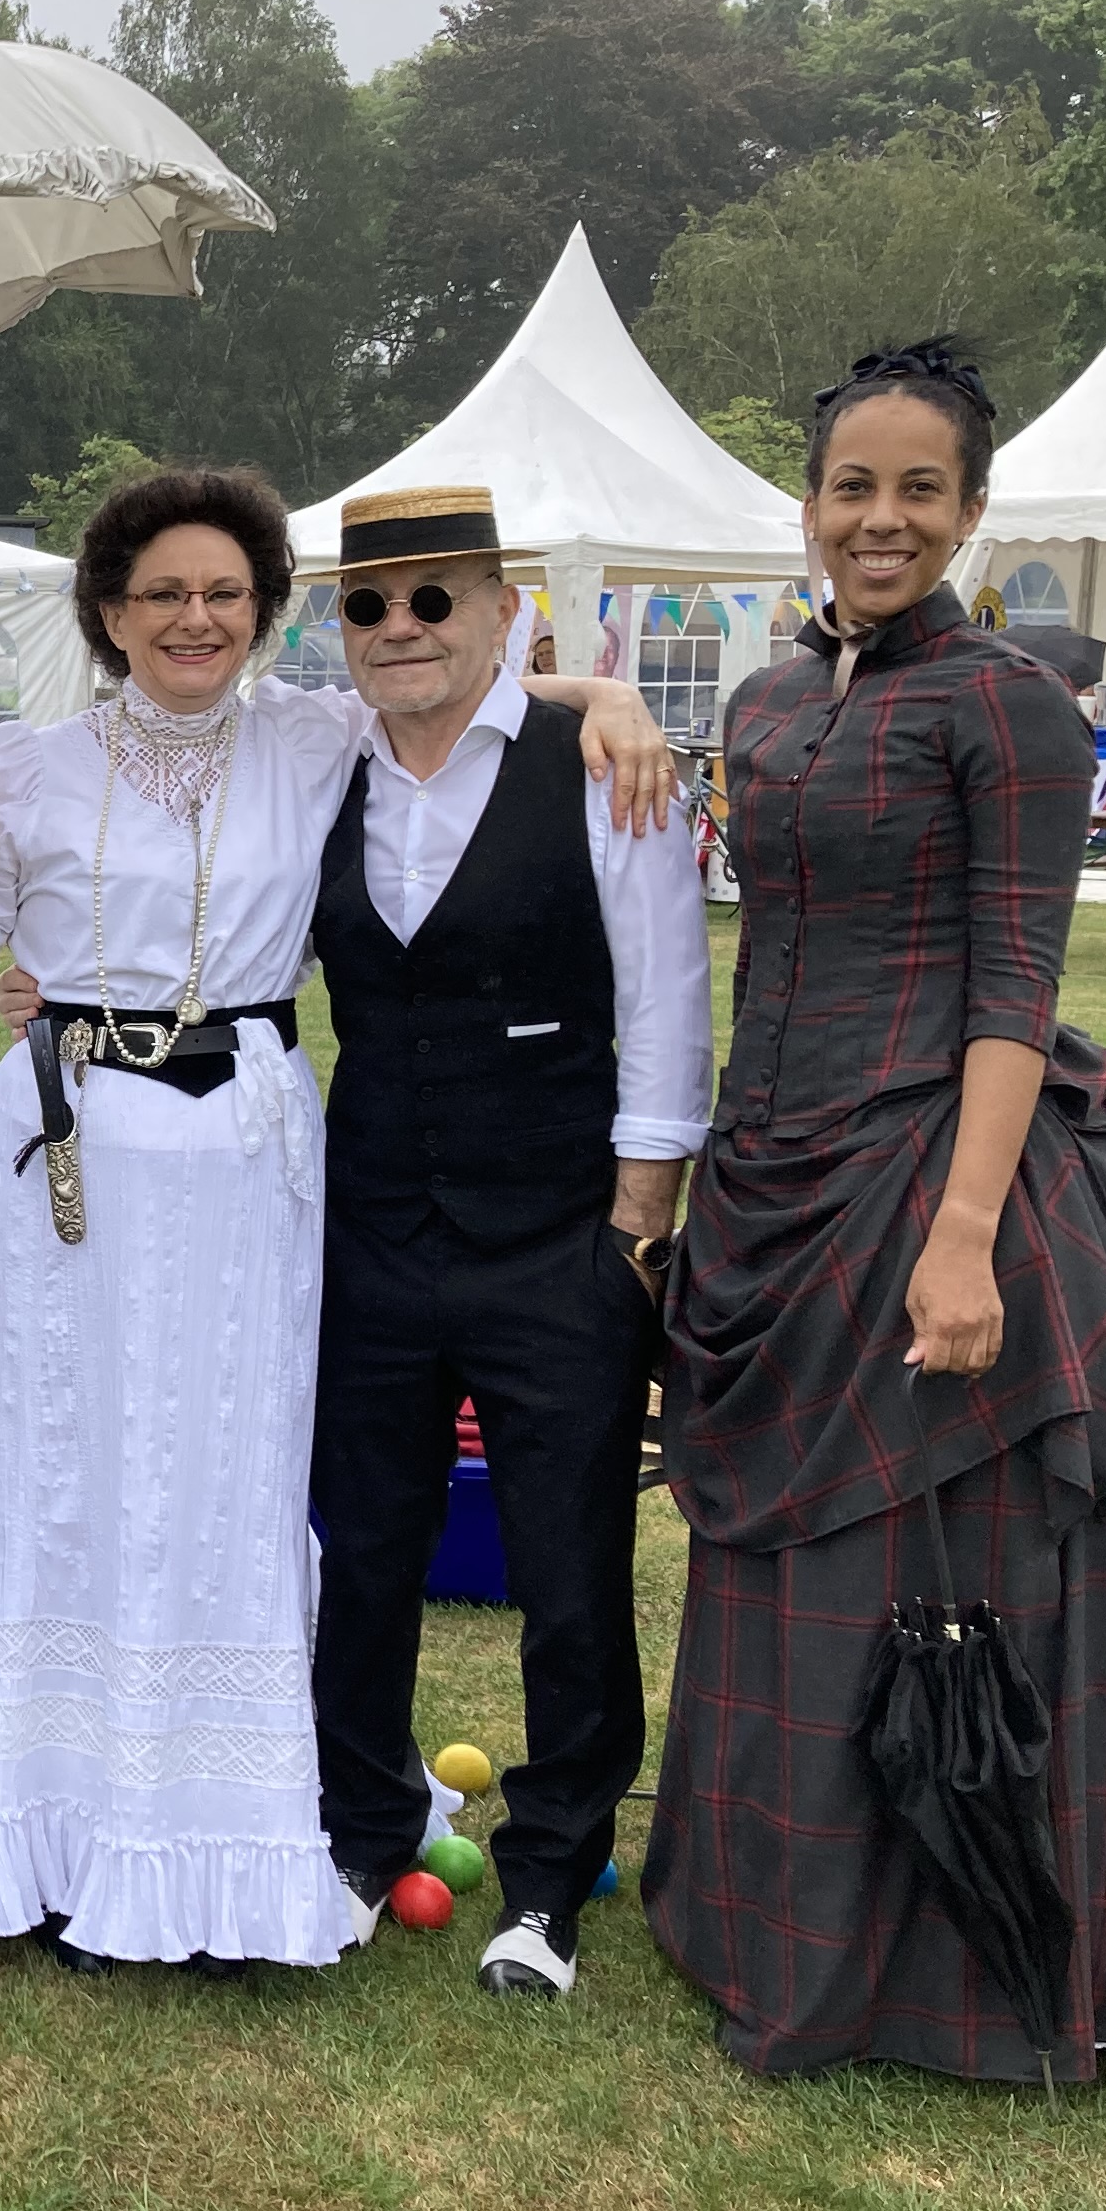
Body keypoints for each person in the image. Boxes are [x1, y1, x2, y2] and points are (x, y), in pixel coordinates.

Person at [0, 466, 667, 1976]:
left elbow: (457, 687)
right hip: (65, 1158)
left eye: (225, 593)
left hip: (243, 1159)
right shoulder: (26, 766)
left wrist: (610, 701)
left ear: (260, 612)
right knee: (65, 1468)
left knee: (224, 1477)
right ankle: (47, 1823)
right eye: (162, 594)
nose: (195, 618)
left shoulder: (315, 738)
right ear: (109, 610)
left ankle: (224, 1827)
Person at [647, 343, 1106, 2086]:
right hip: (773, 1172)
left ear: (973, 510)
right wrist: (587, 697)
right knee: (792, 1575)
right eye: (852, 487)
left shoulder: (1011, 704)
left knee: (926, 1570)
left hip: (935, 1168)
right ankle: (766, 1917)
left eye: (919, 491)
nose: (882, 520)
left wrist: (961, 1234)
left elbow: (1015, 981)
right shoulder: (767, 703)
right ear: (808, 504)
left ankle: (942, 1973)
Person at [293, 489, 712, 2000]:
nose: (400, 628)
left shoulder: (593, 766)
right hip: (372, 1230)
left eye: (434, 599)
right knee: (364, 1549)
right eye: (368, 605)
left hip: (558, 1237)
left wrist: (637, 1225)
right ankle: (361, 1830)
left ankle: (549, 1877)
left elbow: (665, 996)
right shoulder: (318, 761)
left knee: (569, 1564)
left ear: (497, 607)